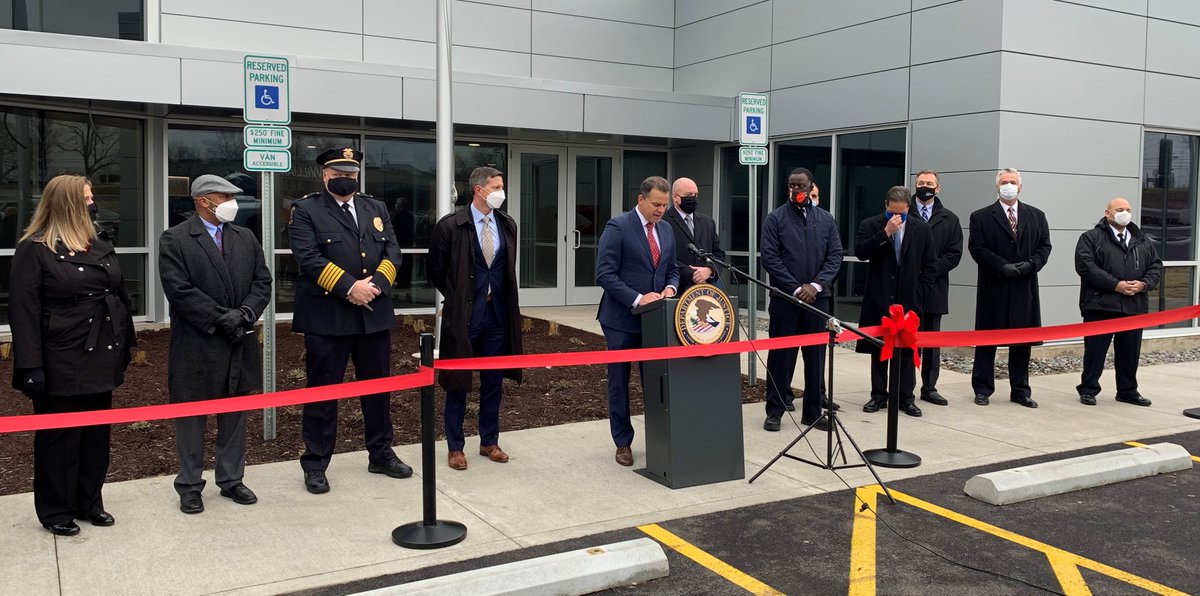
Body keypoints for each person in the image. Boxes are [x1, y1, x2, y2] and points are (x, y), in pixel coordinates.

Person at [9, 174, 135, 536]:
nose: (93, 201)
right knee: (59, 438)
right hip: (60, 355)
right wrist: (31, 365)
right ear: (66, 202)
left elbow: (119, 296)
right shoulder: (35, 248)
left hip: (101, 351)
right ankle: (55, 510)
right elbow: (24, 311)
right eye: (86, 196)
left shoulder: (98, 241)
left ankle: (89, 501)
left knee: (96, 434)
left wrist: (126, 344)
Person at [289, 147, 411, 494]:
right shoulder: (306, 209)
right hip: (328, 319)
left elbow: (393, 251)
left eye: (351, 174)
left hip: (373, 316)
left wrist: (374, 286)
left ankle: (381, 453)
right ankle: (315, 463)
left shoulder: (376, 208)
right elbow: (308, 258)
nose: (346, 179)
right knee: (323, 394)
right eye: (338, 174)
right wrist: (350, 288)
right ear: (324, 175)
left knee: (377, 392)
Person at [158, 175, 273, 514]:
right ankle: (190, 485)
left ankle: (231, 479)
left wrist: (245, 314)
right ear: (202, 200)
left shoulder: (245, 237)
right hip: (197, 342)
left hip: (238, 340)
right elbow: (178, 290)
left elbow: (262, 281)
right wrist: (220, 318)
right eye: (224, 197)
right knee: (192, 416)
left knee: (234, 413)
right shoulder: (175, 239)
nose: (231, 203)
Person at [428, 167, 524, 471]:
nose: (501, 191)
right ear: (478, 190)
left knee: (493, 382)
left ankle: (489, 441)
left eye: (502, 185)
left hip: (497, 317)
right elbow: (436, 269)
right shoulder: (451, 226)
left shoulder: (507, 224)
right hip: (466, 318)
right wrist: (459, 297)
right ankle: (455, 447)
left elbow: (507, 269)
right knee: (458, 383)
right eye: (496, 186)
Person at [596, 176, 679, 466]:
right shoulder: (618, 227)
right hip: (621, 320)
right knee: (619, 383)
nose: (660, 210)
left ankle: (660, 439)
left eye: (664, 205)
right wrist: (638, 298)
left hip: (655, 321)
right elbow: (604, 274)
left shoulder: (666, 229)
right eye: (656, 204)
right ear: (640, 199)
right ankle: (623, 442)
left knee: (656, 382)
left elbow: (672, 268)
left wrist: (671, 288)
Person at [761, 167, 843, 432]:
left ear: (811, 188)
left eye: (801, 186)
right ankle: (775, 410)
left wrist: (815, 286)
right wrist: (796, 289)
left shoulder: (825, 219)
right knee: (780, 357)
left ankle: (813, 412)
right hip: (786, 299)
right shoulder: (775, 219)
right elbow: (771, 258)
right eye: (792, 185)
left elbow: (835, 256)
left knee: (815, 357)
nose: (796, 190)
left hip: (817, 301)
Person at [967, 168, 1052, 408]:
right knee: (987, 341)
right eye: (1004, 182)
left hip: (1024, 287)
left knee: (1021, 342)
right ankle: (982, 389)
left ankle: (1020, 391)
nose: (1008, 186)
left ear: (1020, 187)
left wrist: (1029, 265)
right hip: (993, 286)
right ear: (996, 187)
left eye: (1012, 182)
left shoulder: (1037, 215)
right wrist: (1002, 266)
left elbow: (1044, 247)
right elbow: (977, 248)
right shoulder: (981, 216)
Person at [856, 186, 937, 417]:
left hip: (908, 301)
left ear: (908, 209)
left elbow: (931, 266)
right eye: (893, 212)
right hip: (879, 299)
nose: (897, 218)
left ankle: (905, 397)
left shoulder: (921, 229)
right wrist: (886, 232)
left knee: (906, 351)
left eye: (901, 214)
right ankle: (878, 395)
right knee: (879, 350)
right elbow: (862, 251)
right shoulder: (870, 225)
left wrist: (918, 293)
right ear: (886, 205)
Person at [1074, 198, 1162, 407]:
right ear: (1107, 213)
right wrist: (1115, 285)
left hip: (1134, 305)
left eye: (1128, 209)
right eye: (1119, 209)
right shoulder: (1091, 238)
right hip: (1100, 305)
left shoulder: (1142, 240)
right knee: (1095, 351)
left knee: (1130, 352)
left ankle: (1127, 391)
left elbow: (1155, 266)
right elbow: (1086, 267)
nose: (1124, 212)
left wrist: (1143, 284)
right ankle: (1088, 389)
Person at [907, 170, 963, 406]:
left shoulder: (950, 219)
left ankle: (929, 387)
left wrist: (929, 270)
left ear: (938, 188)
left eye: (929, 183)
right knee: (907, 342)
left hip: (935, 289)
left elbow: (954, 254)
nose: (925, 187)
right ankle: (904, 390)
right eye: (920, 183)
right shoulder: (903, 213)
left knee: (931, 342)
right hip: (907, 288)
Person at [664, 177, 724, 292]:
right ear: (675, 197)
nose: (693, 198)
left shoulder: (708, 222)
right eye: (688, 194)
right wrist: (692, 274)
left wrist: (709, 270)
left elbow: (718, 254)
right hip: (677, 289)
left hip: (706, 290)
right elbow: (663, 257)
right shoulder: (663, 222)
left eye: (695, 194)